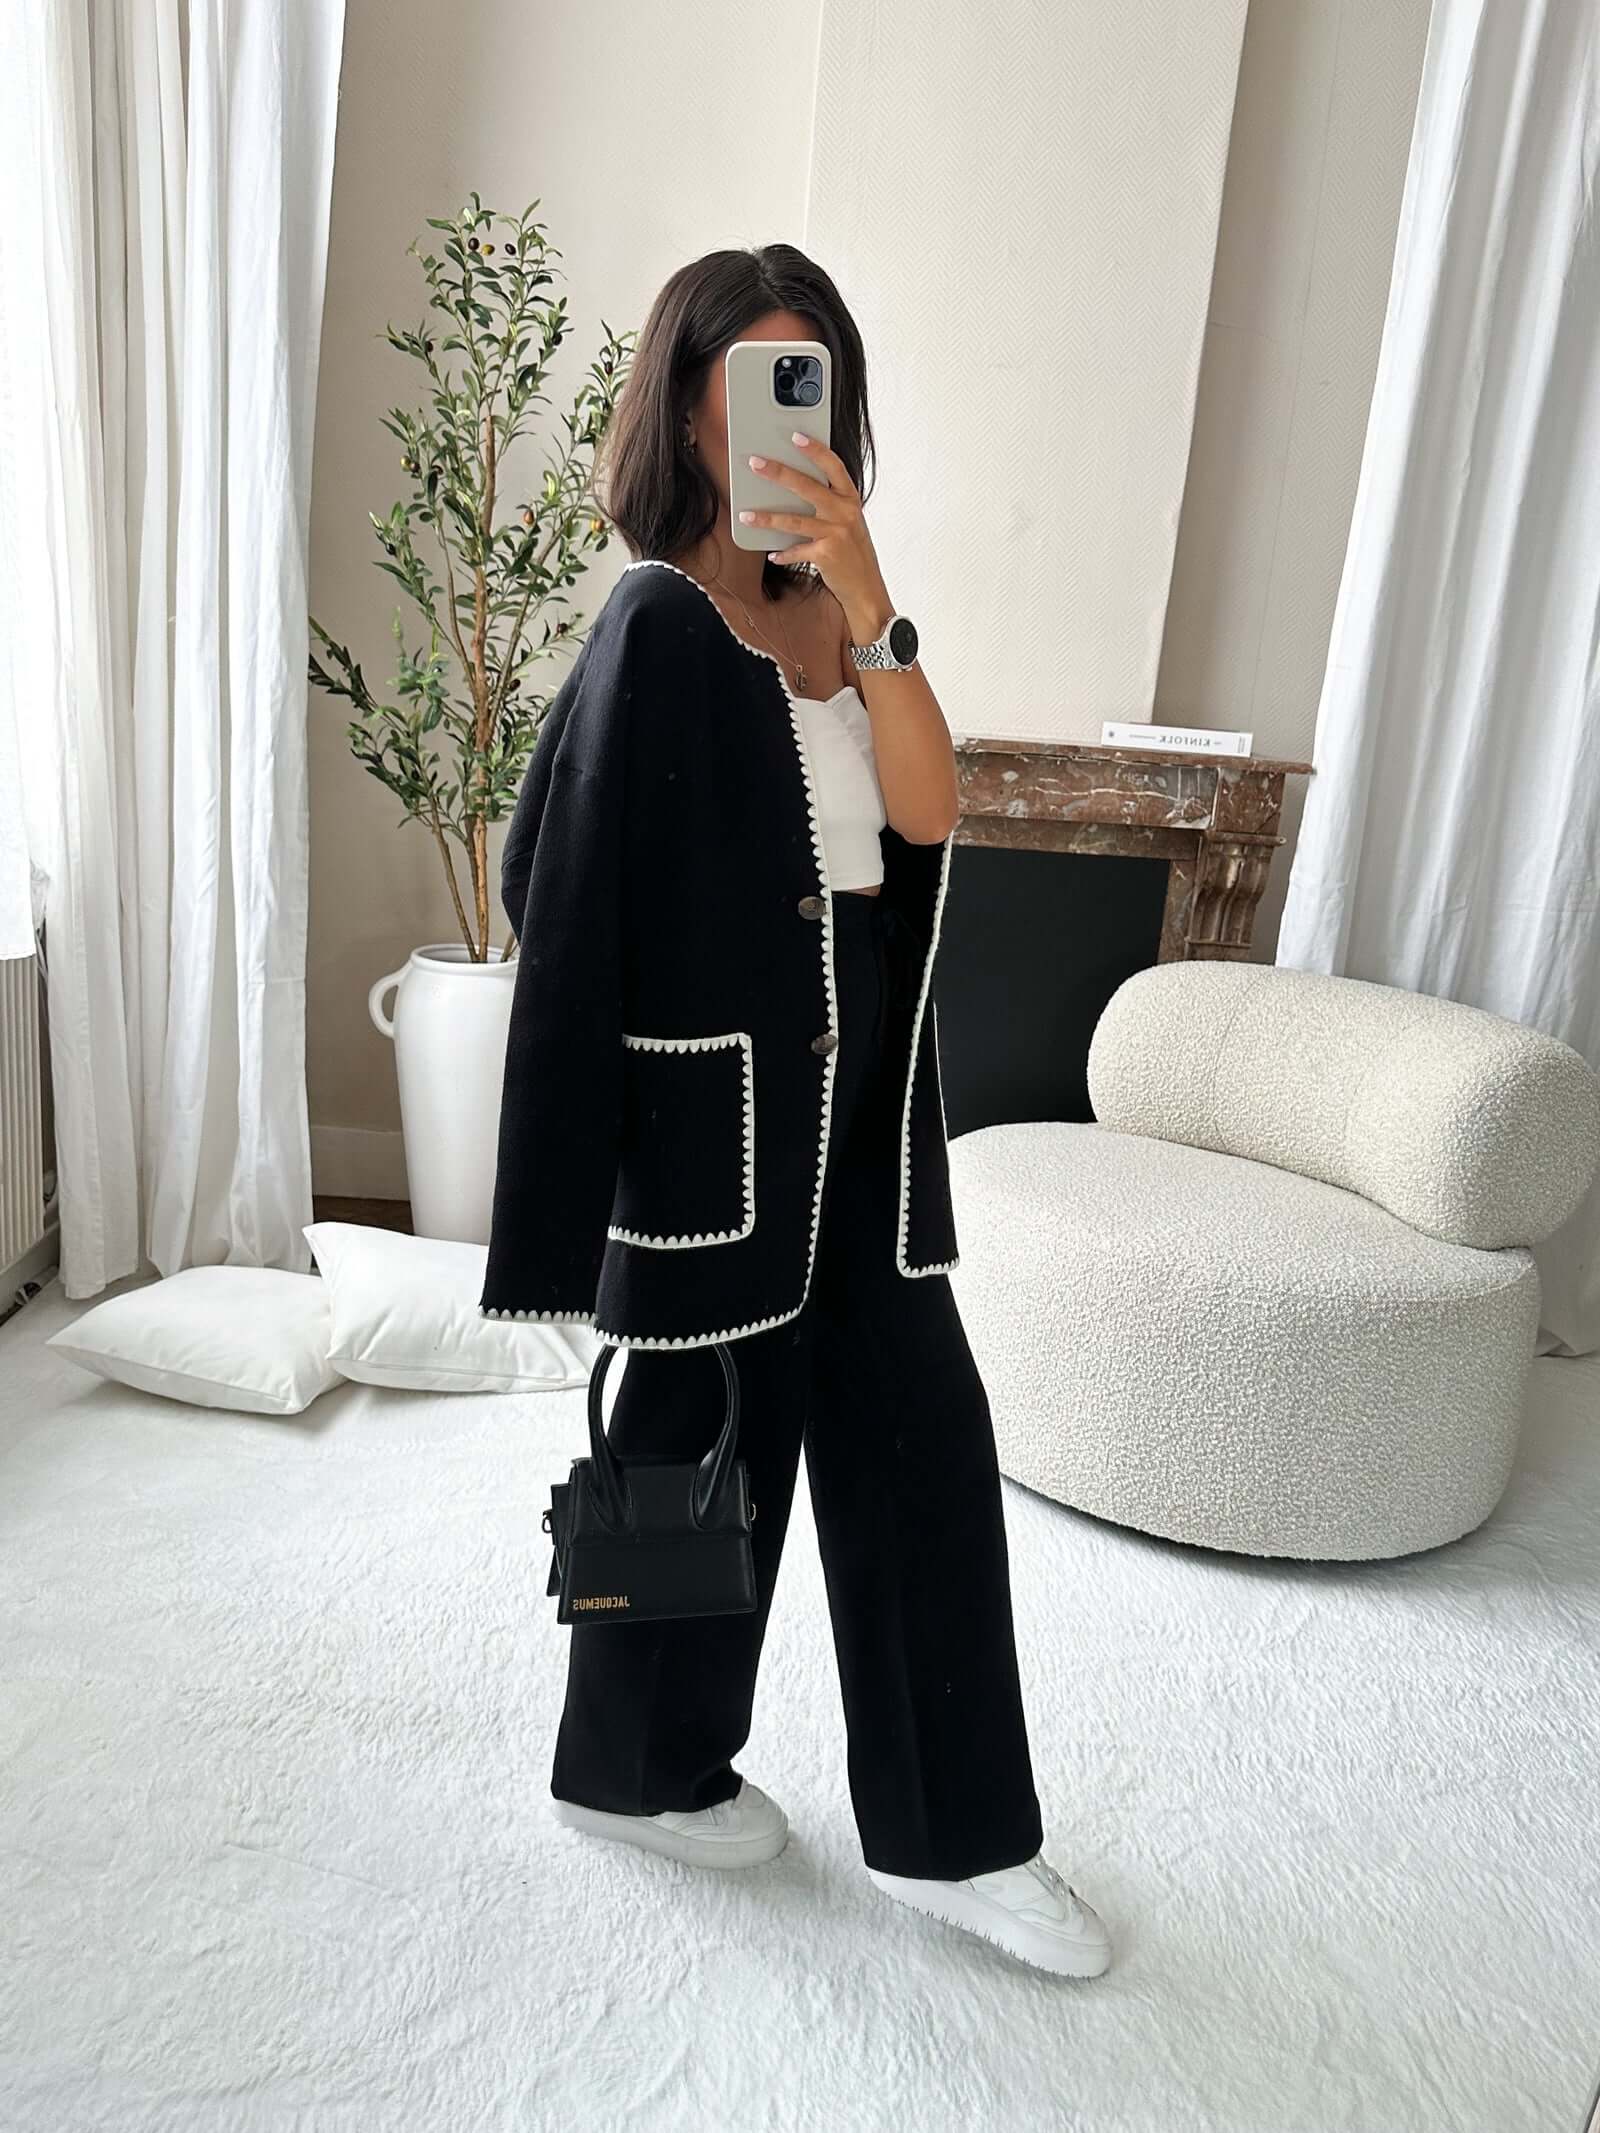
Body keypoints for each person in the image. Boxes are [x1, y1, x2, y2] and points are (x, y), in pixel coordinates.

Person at [480, 243, 1112, 1980]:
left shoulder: (840, 619)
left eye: (811, 374)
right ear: (687, 407)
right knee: (693, 1457)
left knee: (924, 1445)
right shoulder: (654, 623)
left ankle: (962, 1839)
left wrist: (871, 595)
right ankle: (635, 1769)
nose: (783, 408)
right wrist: (581, 1180)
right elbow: (556, 889)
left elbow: (929, 815)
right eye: (751, 376)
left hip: (862, 1121)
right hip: (720, 1127)